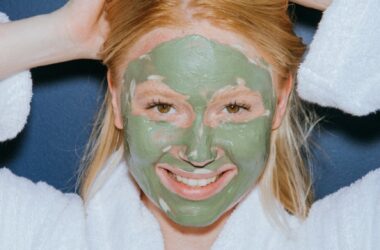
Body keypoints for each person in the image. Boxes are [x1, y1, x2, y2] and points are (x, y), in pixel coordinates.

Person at [0, 1, 379, 250]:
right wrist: (61, 35)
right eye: (163, 106)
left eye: (234, 107)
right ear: (118, 99)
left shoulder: (343, 238)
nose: (198, 153)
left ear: (279, 103)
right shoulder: (39, 236)